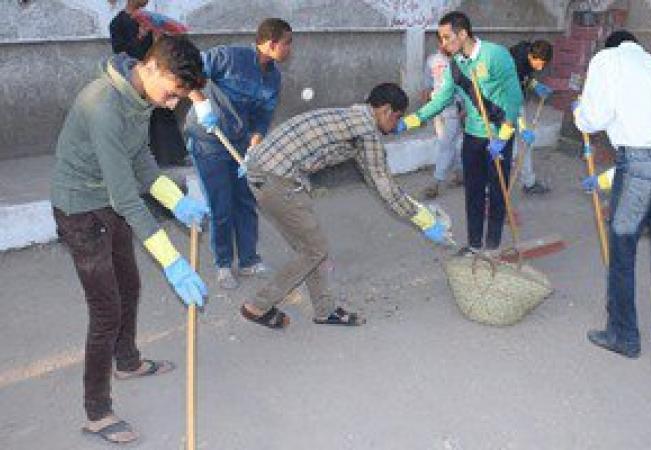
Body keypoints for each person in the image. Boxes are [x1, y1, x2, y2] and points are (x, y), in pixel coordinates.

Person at [51, 35, 211, 444]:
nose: (172, 105)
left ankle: (127, 362)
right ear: (154, 68)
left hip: (107, 199)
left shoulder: (139, 98)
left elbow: (140, 162)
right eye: (173, 94)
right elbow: (127, 198)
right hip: (79, 209)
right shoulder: (104, 106)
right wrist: (171, 260)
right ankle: (98, 412)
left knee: (130, 286)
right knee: (106, 310)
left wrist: (177, 201)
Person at [237, 83, 451, 329]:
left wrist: (255, 160)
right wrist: (424, 220)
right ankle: (258, 306)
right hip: (278, 181)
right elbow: (385, 188)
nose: (396, 126)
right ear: (386, 110)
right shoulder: (367, 133)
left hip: (262, 169)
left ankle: (325, 310)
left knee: (311, 247)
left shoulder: (353, 115)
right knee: (314, 250)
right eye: (397, 118)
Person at [573, 30, 651, 372]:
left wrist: (578, 111)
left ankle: (623, 336)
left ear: (610, 47)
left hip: (642, 163)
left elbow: (592, 118)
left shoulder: (606, 60)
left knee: (623, 249)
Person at [397, 11, 523, 252]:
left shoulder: (496, 55)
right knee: (473, 192)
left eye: (447, 38)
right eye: (441, 39)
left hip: (498, 136)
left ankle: (492, 247)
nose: (443, 44)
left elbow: (514, 100)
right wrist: (410, 121)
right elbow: (440, 100)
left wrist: (504, 137)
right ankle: (475, 246)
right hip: (473, 137)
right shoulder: (456, 65)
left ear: (463, 34)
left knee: (497, 194)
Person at [184, 18, 293, 289]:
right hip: (207, 141)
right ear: (270, 43)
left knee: (245, 201)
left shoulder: (274, 77)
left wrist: (255, 144)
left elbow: (262, 116)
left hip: (239, 145)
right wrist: (201, 105)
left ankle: (248, 261)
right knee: (221, 205)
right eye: (287, 43)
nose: (290, 48)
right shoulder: (228, 57)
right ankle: (223, 264)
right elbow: (187, 72)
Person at [109, 0, 188, 167]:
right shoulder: (117, 23)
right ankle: (149, 160)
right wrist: (140, 36)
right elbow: (121, 54)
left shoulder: (149, 19)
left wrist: (158, 38)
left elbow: (159, 51)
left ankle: (177, 155)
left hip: (157, 75)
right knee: (144, 120)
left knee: (165, 113)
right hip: (136, 79)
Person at [420, 34, 464, 199]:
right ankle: (462, 174)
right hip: (437, 110)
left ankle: (435, 183)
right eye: (444, 41)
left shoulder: (460, 62)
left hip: (454, 110)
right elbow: (426, 85)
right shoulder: (432, 60)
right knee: (448, 143)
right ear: (440, 42)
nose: (448, 44)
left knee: (446, 145)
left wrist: (466, 109)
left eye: (450, 41)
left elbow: (467, 88)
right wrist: (425, 112)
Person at [509, 39, 554, 194]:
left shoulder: (529, 55)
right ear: (531, 56)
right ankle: (491, 191)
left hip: (516, 100)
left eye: (544, 64)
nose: (541, 68)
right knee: (506, 147)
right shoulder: (515, 63)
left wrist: (535, 86)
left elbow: (525, 78)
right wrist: (521, 127)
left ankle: (529, 183)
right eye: (540, 63)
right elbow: (512, 101)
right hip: (503, 104)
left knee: (524, 145)